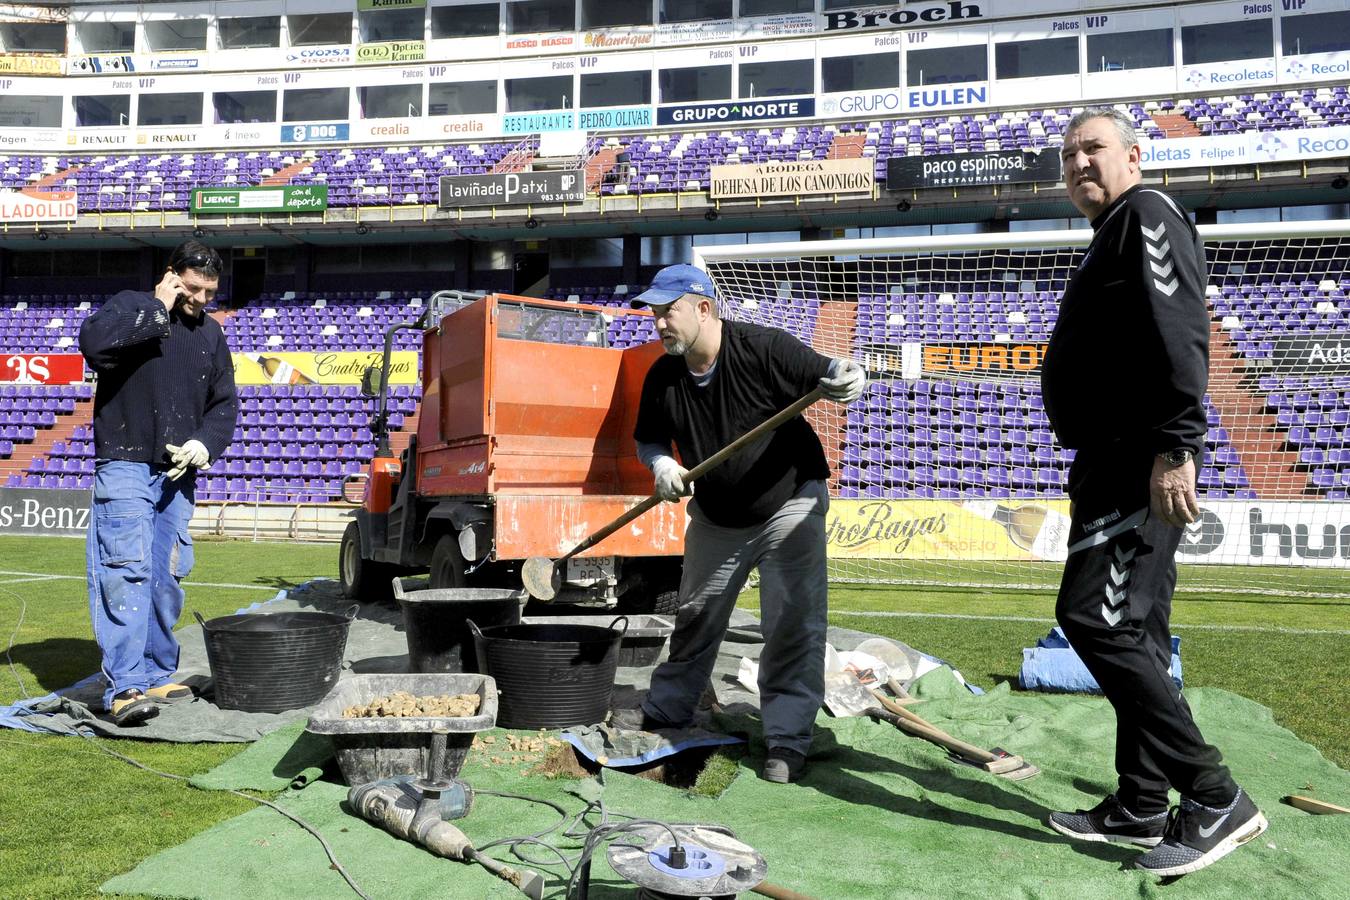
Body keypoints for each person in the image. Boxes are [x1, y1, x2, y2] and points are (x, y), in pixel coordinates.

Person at [1041, 107, 1266, 874]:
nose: (1078, 163)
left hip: (1136, 459)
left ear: (1133, 155)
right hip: (1112, 459)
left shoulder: (1146, 213)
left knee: (1090, 620)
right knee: (1132, 629)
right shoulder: (1112, 230)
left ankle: (1212, 795)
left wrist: (1176, 445)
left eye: (1093, 148)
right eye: (1068, 154)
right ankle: (1140, 802)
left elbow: (1179, 327)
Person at [611, 263, 866, 784]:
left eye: (668, 312)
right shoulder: (664, 376)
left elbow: (830, 371)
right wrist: (660, 464)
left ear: (703, 308)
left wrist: (848, 375)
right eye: (654, 315)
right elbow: (650, 439)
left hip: (789, 501)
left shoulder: (763, 348)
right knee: (696, 614)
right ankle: (668, 709)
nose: (659, 325)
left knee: (791, 619)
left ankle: (786, 738)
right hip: (718, 512)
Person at [79, 241, 238, 726]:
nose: (202, 299)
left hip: (176, 475)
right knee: (126, 571)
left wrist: (204, 444)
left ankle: (155, 672)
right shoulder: (132, 306)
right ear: (171, 277)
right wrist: (157, 308)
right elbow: (95, 344)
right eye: (192, 288)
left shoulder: (211, 335)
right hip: (125, 462)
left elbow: (224, 403)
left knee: (165, 577)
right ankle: (124, 686)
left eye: (209, 291)